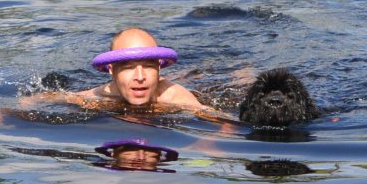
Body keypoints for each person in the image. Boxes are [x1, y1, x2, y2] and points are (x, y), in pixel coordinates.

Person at [19, 27, 220, 116]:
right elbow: (51, 97)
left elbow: (220, 121)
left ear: (159, 68)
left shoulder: (174, 96)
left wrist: (208, 141)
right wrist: (3, 115)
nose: (139, 77)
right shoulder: (98, 96)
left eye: (148, 66)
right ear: (111, 71)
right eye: (128, 67)